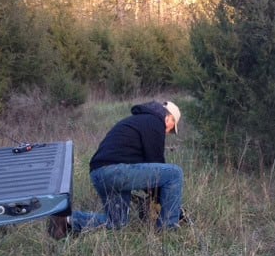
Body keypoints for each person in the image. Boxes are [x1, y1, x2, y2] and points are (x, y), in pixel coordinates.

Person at [49, 100, 184, 239]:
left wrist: (156, 198)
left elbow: (148, 171)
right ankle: (168, 231)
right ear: (169, 118)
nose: (168, 132)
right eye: (171, 129)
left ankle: (67, 220)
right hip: (115, 171)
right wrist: (172, 208)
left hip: (100, 173)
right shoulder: (155, 122)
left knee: (117, 223)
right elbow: (157, 166)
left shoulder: (138, 121)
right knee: (174, 173)